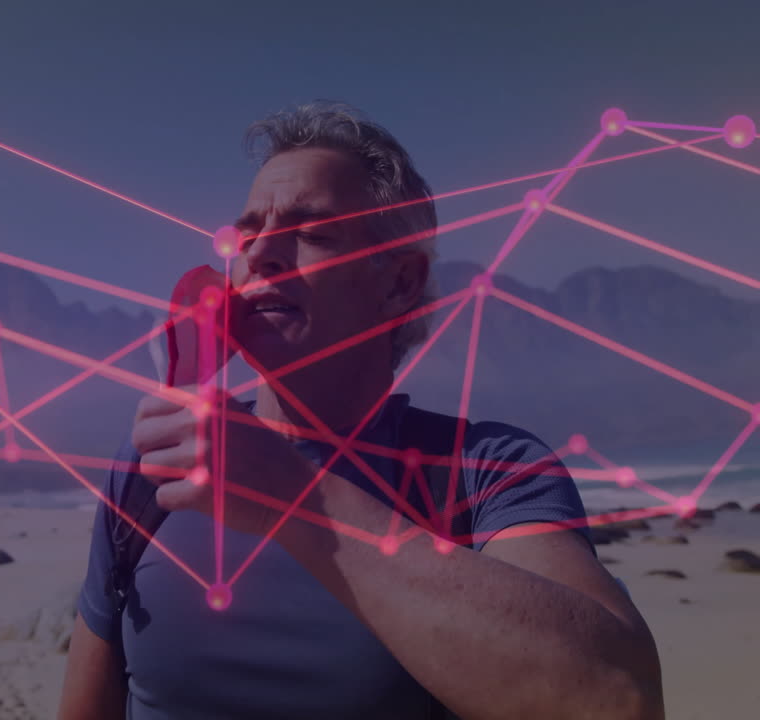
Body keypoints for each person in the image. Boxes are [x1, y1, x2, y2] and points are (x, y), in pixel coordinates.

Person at [57, 101, 664, 719]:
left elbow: (616, 697)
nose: (262, 253)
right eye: (246, 235)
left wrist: (295, 493)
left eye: (313, 233)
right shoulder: (150, 471)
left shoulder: (487, 471)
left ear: (399, 282)